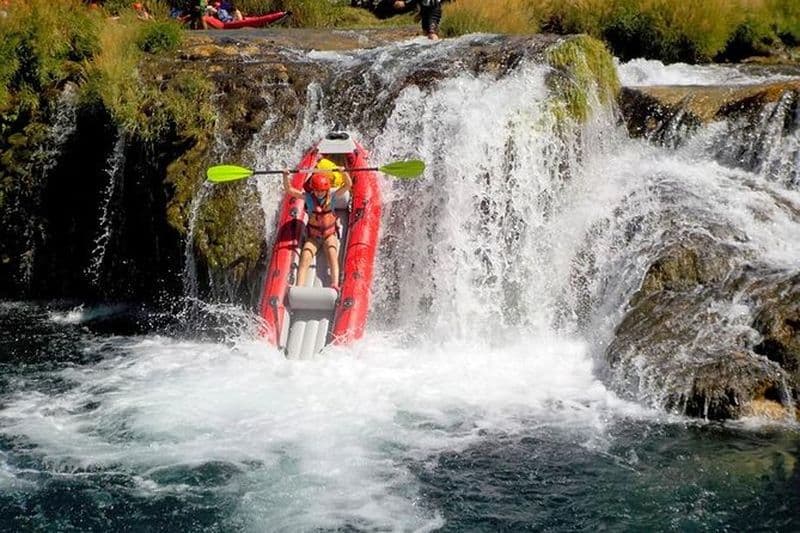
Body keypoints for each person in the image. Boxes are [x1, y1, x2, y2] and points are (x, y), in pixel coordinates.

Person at [283, 161, 353, 292]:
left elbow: (348, 185)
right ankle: (299, 287)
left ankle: (334, 284)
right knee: (305, 256)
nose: (319, 193)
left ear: (326, 190)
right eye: (316, 191)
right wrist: (285, 177)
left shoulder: (332, 196)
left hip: (329, 235)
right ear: (312, 189)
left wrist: (344, 172)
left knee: (332, 254)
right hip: (313, 237)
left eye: (321, 191)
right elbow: (290, 190)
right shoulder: (308, 198)